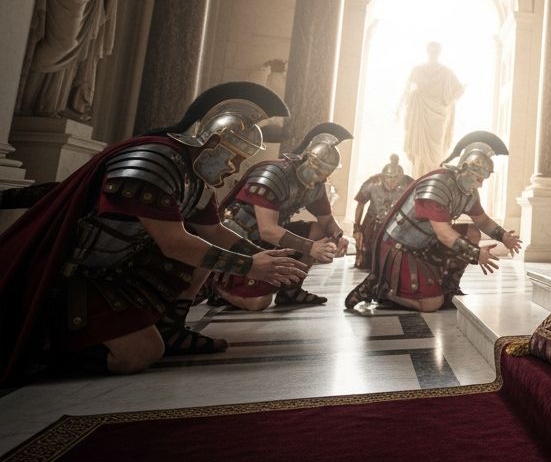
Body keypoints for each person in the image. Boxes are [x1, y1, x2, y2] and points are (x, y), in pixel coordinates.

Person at [0, 83, 307, 383]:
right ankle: (39, 348)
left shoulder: (195, 176)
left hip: (115, 269)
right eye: (234, 155)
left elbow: (213, 230)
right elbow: (174, 244)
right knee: (138, 354)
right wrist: (251, 266)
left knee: (203, 251)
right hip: (67, 275)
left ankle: (170, 327)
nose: (236, 166)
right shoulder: (154, 160)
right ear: (212, 141)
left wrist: (264, 256)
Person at [345, 132, 519, 313]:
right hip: (400, 247)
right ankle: (379, 288)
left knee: (472, 232)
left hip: (427, 243)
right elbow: (444, 234)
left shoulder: (468, 192)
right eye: (478, 178)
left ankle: (449, 287)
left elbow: (482, 220)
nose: (480, 185)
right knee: (432, 305)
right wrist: (476, 254)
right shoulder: (437, 185)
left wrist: (504, 236)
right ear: (465, 167)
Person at [208, 123, 354, 310]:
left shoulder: (316, 184)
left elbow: (326, 221)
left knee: (319, 231)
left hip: (271, 237)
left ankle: (290, 290)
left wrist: (338, 237)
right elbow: (267, 230)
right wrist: (311, 248)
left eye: (324, 174)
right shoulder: (273, 175)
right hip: (242, 240)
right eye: (317, 171)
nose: (318, 179)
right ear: (307, 159)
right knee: (258, 303)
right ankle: (215, 286)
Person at [398, 41, 464, 176]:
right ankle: (419, 180)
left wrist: (448, 101)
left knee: (436, 151)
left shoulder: (446, 72)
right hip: (422, 111)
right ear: (427, 52)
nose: (433, 54)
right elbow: (406, 89)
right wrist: (398, 109)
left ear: (439, 53)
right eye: (431, 51)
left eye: (435, 51)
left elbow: (459, 90)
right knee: (420, 153)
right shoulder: (419, 70)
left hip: (438, 115)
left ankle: (431, 180)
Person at [352, 154, 412, 270]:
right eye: (388, 178)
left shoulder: (409, 183)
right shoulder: (373, 182)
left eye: (395, 178)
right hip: (372, 225)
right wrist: (357, 227)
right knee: (366, 262)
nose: (391, 181)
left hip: (398, 225)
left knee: (395, 264)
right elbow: (360, 204)